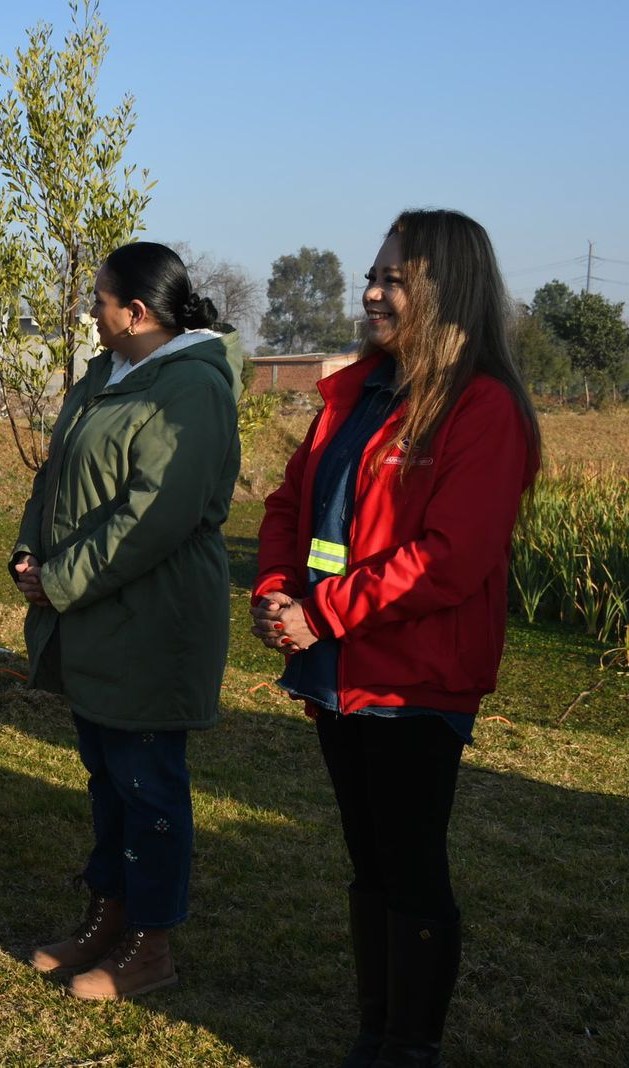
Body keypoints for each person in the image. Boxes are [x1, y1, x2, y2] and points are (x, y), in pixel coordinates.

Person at [251, 210, 540, 1068]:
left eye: (394, 280)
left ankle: (409, 1047)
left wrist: (325, 611)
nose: (372, 292)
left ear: (448, 292)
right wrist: (276, 593)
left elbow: (449, 559)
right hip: (337, 668)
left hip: (415, 679)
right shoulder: (356, 393)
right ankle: (376, 1032)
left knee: (411, 864)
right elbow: (284, 507)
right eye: (372, 276)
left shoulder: (481, 409)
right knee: (368, 859)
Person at [13, 241, 242, 1000]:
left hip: (153, 617)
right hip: (98, 615)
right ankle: (106, 917)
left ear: (136, 312)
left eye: (101, 302)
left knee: (149, 785)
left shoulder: (192, 388)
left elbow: (155, 514)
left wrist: (63, 578)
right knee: (109, 779)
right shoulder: (108, 373)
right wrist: (28, 549)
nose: (92, 314)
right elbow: (56, 472)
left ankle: (151, 941)